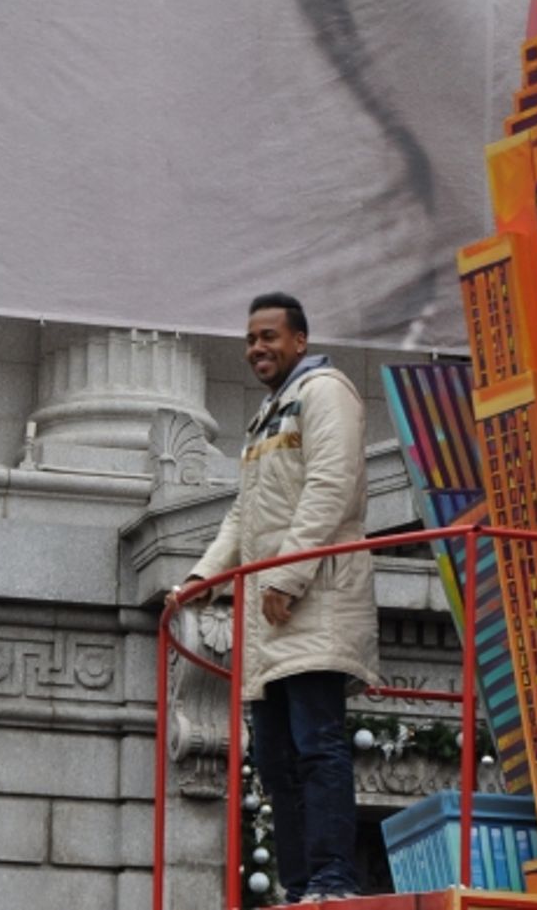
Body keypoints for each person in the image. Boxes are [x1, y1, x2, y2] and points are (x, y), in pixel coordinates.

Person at [167, 292, 379, 904]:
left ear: (300, 341)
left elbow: (331, 485)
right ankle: (301, 886)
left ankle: (334, 882)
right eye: (251, 338)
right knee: (277, 758)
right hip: (271, 617)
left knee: (317, 745)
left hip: (313, 603)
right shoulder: (267, 417)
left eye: (270, 336)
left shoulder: (325, 392)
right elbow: (244, 512)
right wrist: (197, 581)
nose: (258, 347)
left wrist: (286, 579)